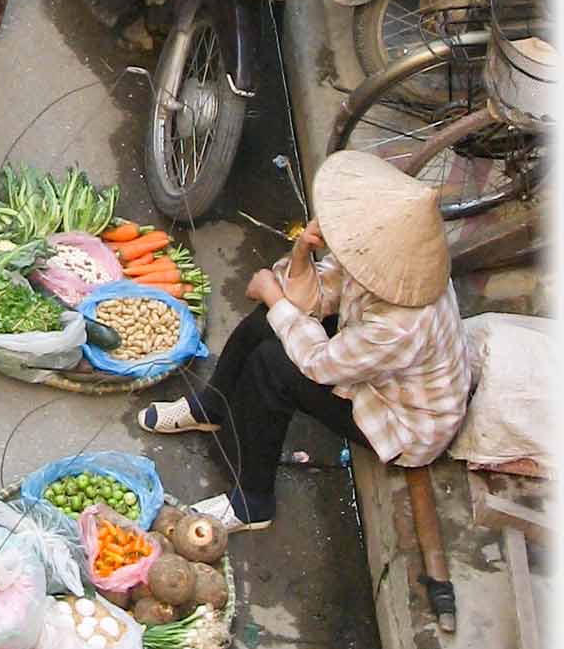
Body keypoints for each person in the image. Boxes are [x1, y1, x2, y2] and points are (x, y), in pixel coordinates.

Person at [138, 151, 473, 534]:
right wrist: (301, 254)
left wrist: (273, 295)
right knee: (272, 319)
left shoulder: (402, 321)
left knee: (273, 365)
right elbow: (311, 297)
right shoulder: (384, 263)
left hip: (403, 421)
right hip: (376, 369)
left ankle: (252, 501)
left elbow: (318, 363)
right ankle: (212, 406)